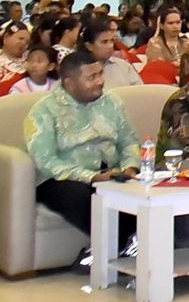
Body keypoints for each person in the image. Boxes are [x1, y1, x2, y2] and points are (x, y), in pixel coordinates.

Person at [23, 51, 141, 256]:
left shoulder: (111, 102)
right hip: (61, 179)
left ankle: (109, 252)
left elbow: (129, 141)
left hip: (110, 173)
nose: (100, 81)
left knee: (143, 190)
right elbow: (45, 161)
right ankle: (119, 250)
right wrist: (91, 177)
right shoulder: (44, 110)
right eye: (91, 77)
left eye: (100, 74)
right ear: (69, 82)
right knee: (82, 198)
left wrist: (130, 167)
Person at [79, 17, 143, 88]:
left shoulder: (124, 66)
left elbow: (140, 91)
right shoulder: (78, 70)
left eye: (112, 41)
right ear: (89, 46)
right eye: (104, 42)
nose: (110, 46)